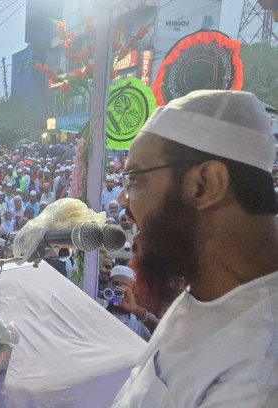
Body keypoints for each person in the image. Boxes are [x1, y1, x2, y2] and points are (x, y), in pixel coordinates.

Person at [112, 90, 278, 406]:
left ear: (206, 184)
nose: (122, 201)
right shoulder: (207, 285)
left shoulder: (261, 374)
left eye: (134, 180)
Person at [103, 266, 152, 342]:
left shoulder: (139, 322)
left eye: (124, 286)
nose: (118, 289)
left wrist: (136, 310)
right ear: (109, 284)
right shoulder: (98, 311)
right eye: (115, 284)